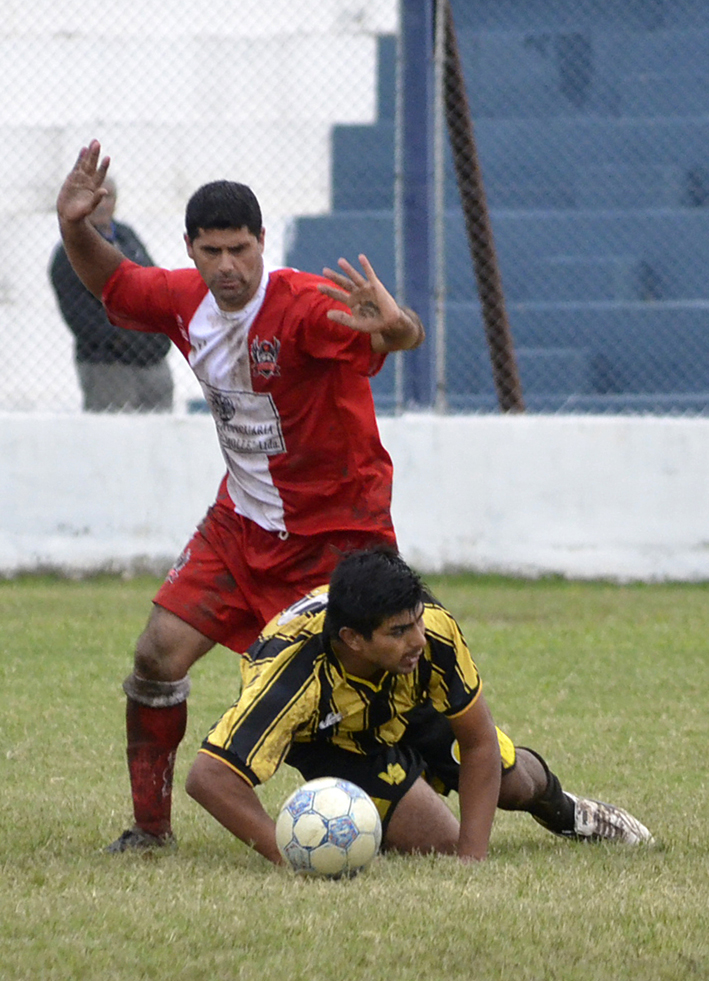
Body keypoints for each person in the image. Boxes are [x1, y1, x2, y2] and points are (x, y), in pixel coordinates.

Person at [55, 141, 426, 853]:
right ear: (192, 249)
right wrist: (76, 228)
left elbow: (394, 336)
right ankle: (151, 831)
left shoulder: (304, 306)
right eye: (211, 250)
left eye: (240, 248)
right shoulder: (184, 302)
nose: (227, 265)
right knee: (157, 655)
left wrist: (399, 323)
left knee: (366, 707)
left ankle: (468, 778)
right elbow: (116, 284)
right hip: (243, 525)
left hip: (339, 539)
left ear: (262, 243)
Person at [186, 548, 653, 864]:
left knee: (511, 785)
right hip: (336, 739)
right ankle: (402, 786)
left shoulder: (429, 633)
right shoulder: (291, 677)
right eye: (397, 631)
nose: (417, 639)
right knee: (439, 844)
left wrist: (475, 864)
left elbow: (478, 744)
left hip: (406, 701)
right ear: (352, 639)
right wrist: (288, 855)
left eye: (416, 623)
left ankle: (569, 810)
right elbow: (209, 777)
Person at [50, 176, 173, 412]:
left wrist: (158, 337)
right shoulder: (70, 250)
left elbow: (153, 284)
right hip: (108, 366)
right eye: (96, 198)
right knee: (115, 439)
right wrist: (128, 341)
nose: (103, 204)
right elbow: (82, 318)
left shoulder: (126, 236)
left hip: (152, 361)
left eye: (109, 197)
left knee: (161, 438)